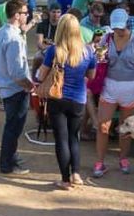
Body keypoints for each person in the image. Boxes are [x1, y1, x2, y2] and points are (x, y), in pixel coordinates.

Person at [37, 14, 97, 190]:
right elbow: (91, 76)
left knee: (61, 139)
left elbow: (41, 74)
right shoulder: (88, 52)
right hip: (78, 99)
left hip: (57, 98)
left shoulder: (54, 51)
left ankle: (65, 179)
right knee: (74, 137)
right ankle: (76, 173)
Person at [91, 8, 134, 178]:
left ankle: (123, 158)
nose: (119, 31)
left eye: (121, 28)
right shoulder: (107, 37)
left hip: (130, 87)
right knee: (103, 125)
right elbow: (98, 55)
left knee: (126, 126)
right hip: (110, 85)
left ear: (127, 23)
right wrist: (98, 56)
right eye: (116, 28)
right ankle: (100, 161)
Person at [0, 0, 34, 175]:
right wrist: (30, 86)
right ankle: (7, 164)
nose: (27, 15)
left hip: (6, 87)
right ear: (17, 15)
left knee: (12, 126)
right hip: (15, 89)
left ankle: (11, 158)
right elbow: (16, 72)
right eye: (25, 13)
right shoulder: (13, 38)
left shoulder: (3, 31)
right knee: (13, 127)